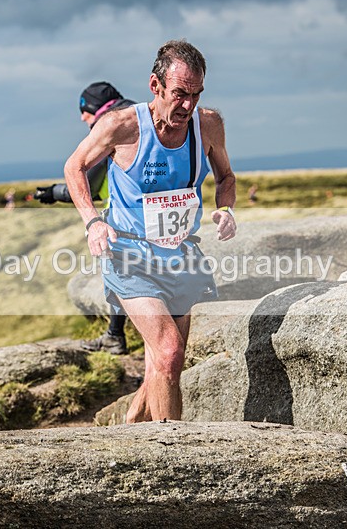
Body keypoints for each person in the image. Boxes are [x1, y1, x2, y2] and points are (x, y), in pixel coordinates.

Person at [64, 40, 237, 423]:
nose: (187, 105)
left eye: (195, 95)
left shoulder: (207, 125)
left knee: (163, 365)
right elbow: (74, 167)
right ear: (155, 87)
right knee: (170, 352)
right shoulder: (120, 127)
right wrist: (93, 222)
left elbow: (226, 177)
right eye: (179, 94)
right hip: (131, 258)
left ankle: (129, 428)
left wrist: (226, 209)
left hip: (181, 258)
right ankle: (172, 453)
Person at [36, 82, 135, 355]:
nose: (82, 118)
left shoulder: (112, 130)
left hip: (128, 218)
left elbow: (84, 186)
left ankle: (116, 337)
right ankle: (119, 335)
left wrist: (54, 193)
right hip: (160, 212)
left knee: (120, 273)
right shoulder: (141, 118)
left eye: (84, 111)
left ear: (96, 109)